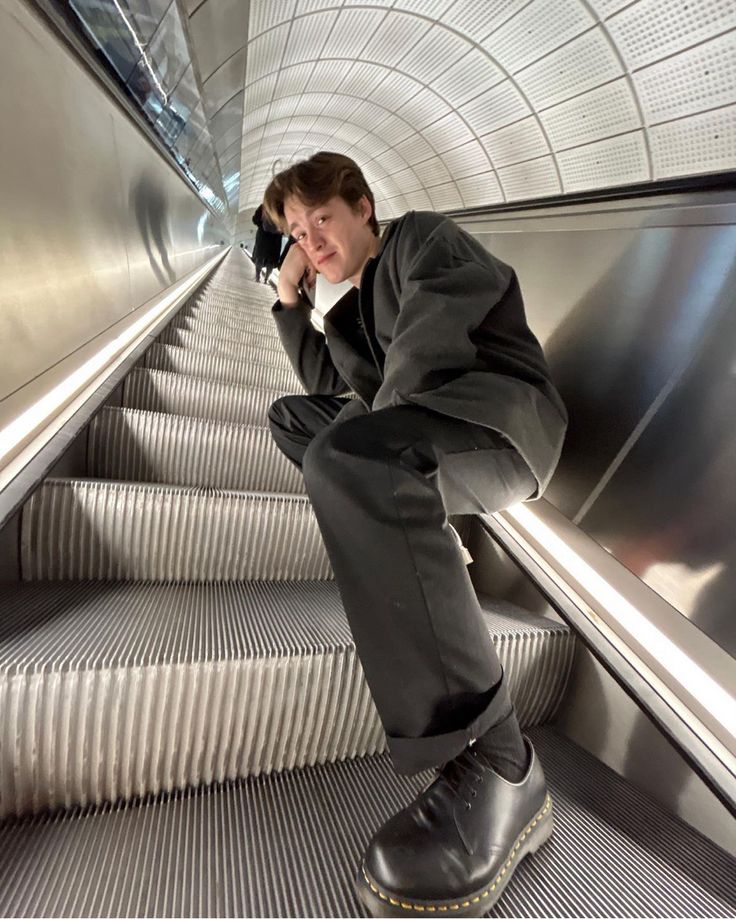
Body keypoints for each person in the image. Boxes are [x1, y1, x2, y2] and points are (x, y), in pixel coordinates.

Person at [263, 152, 567, 917]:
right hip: (424, 428)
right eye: (298, 233)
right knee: (297, 420)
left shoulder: (425, 240)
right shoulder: (354, 307)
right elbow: (327, 390)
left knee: (354, 456)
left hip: (498, 424)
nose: (313, 240)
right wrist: (289, 297)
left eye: (321, 219)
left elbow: (428, 356)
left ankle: (503, 759)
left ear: (363, 204)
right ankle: (401, 525)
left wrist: (367, 441)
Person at [251, 203, 283, 283]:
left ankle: (257, 276)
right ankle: (266, 279)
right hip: (275, 238)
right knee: (271, 260)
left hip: (263, 235)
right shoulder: (282, 208)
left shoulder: (264, 206)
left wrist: (261, 224)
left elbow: (255, 219)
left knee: (260, 256)